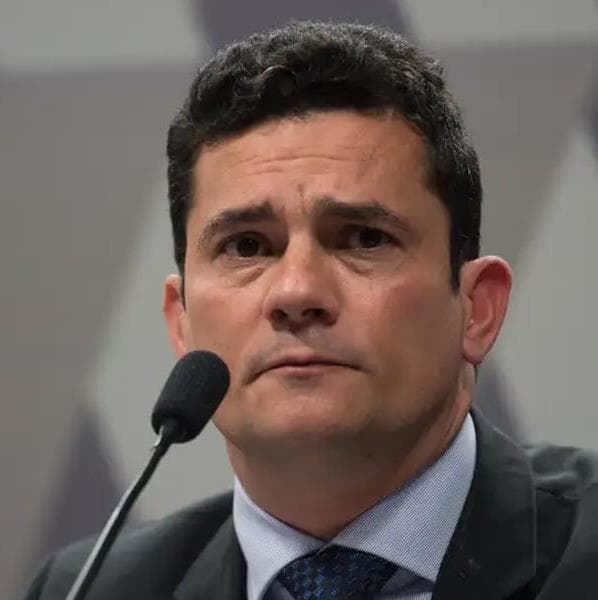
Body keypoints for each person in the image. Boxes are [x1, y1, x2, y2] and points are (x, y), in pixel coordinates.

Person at [22, 21, 598, 600]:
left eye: (363, 238)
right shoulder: (86, 589)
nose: (296, 292)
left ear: (477, 309)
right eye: (247, 246)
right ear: (182, 322)